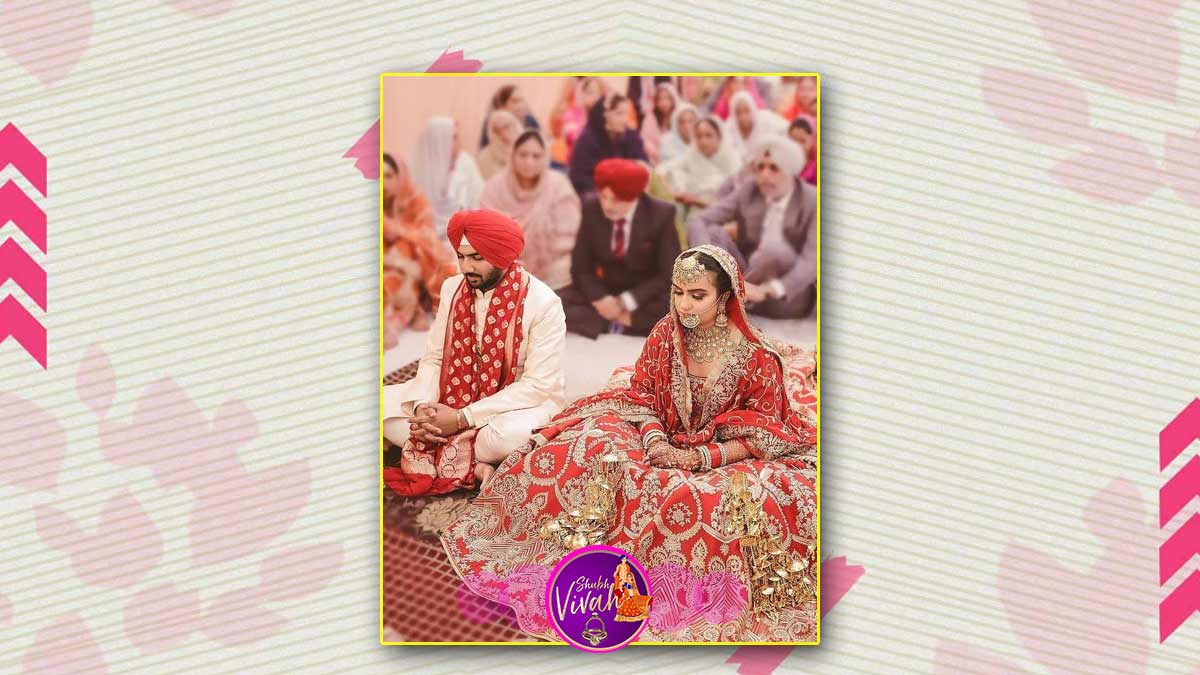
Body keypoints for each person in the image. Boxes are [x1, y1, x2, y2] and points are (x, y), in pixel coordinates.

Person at [441, 245, 818, 642]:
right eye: (678, 292)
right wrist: (654, 440)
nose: (684, 305)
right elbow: (642, 396)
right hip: (661, 435)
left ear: (725, 297)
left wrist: (697, 458)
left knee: (715, 501)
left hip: (726, 455)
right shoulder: (666, 334)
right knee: (589, 447)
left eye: (697, 295)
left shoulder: (757, 357)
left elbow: (763, 433)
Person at [382, 209, 567, 496]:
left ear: (502, 257)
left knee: (507, 437)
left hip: (517, 403)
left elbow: (537, 385)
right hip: (453, 395)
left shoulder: (543, 303)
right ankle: (474, 464)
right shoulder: (452, 289)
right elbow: (435, 357)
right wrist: (424, 409)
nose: (466, 267)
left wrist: (461, 418)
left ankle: (451, 451)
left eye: (477, 258)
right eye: (461, 256)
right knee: (377, 404)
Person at [687, 136, 816, 319]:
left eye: (774, 168)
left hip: (784, 296)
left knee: (775, 251)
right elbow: (699, 219)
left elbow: (811, 262)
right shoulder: (749, 191)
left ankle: (729, 295)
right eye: (760, 167)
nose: (764, 174)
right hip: (748, 277)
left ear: (790, 172)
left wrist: (769, 289)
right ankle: (732, 294)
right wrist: (705, 259)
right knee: (713, 234)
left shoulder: (812, 200)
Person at [557, 158, 679, 339]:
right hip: (606, 290)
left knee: (679, 307)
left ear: (634, 197)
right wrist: (601, 299)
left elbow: (669, 273)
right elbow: (581, 268)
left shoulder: (661, 214)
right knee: (554, 302)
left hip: (645, 293)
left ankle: (612, 322)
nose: (607, 206)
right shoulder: (591, 207)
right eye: (603, 197)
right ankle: (623, 323)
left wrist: (625, 302)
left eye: (615, 200)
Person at [480, 130, 581, 290]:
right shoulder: (495, 188)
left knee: (564, 266)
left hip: (550, 264)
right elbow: (486, 233)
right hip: (506, 262)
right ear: (513, 155)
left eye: (536, 156)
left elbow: (568, 237)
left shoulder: (558, 186)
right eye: (523, 155)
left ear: (545, 158)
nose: (529, 162)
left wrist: (538, 252)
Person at [381, 153, 457, 345]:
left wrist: (402, 241)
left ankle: (402, 317)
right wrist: (400, 262)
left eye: (389, 176)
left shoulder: (416, 199)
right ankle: (412, 311)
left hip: (417, 263)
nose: (384, 183)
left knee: (412, 247)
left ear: (400, 176)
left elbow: (427, 236)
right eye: (379, 177)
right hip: (389, 263)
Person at [408, 116, 484, 237]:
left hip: (464, 237)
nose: (460, 143)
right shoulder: (416, 171)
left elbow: (477, 206)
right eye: (454, 138)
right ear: (438, 141)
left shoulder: (465, 164)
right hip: (426, 239)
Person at [656, 115, 741, 214]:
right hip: (696, 215)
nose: (703, 141)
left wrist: (698, 202)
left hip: (725, 216)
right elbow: (660, 171)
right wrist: (673, 194)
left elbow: (736, 201)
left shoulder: (732, 160)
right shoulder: (692, 157)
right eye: (699, 136)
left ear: (719, 137)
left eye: (708, 136)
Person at [568, 92, 648, 196]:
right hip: (596, 194)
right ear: (604, 115)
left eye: (626, 114)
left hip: (628, 193)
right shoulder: (587, 141)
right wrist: (609, 193)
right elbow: (580, 178)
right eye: (619, 113)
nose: (625, 120)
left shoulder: (632, 137)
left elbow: (643, 165)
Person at [723, 90, 788, 161]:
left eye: (747, 111)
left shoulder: (766, 119)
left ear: (753, 109)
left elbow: (786, 128)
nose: (743, 116)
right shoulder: (729, 127)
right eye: (738, 112)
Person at [478, 84, 540, 149]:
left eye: (522, 100)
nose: (521, 105)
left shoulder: (530, 120)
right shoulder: (493, 122)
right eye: (515, 101)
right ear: (502, 106)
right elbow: (484, 149)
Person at [476, 110, 522, 180]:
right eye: (497, 130)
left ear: (515, 126)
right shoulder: (484, 157)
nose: (503, 133)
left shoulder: (529, 149)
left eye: (506, 127)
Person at [789, 115, 818, 185]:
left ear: (812, 140)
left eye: (802, 141)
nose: (798, 146)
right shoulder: (784, 161)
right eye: (793, 141)